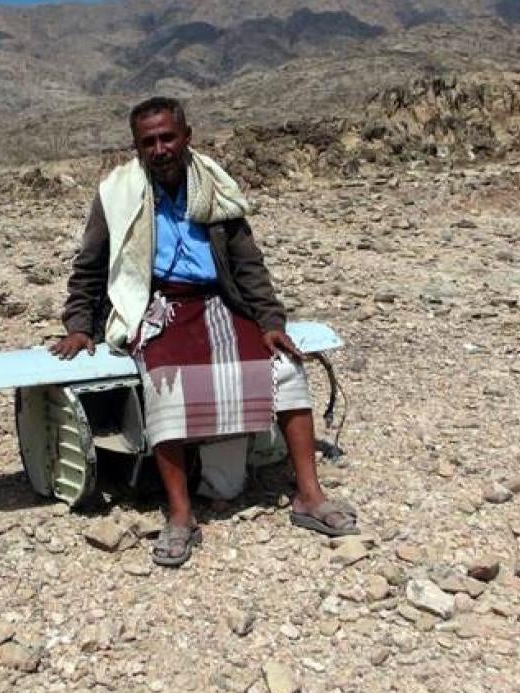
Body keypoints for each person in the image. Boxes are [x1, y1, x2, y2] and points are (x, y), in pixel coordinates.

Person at [50, 97, 358, 566]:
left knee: (284, 368)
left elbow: (248, 263)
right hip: (159, 305)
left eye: (167, 138)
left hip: (220, 300)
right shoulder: (116, 193)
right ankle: (180, 514)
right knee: (164, 384)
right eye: (148, 142)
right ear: (136, 147)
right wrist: (79, 325)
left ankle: (310, 496)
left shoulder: (213, 185)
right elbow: (89, 266)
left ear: (187, 136)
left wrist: (271, 322)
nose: (159, 149)